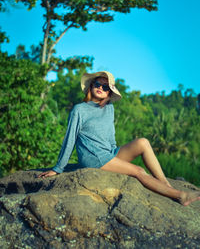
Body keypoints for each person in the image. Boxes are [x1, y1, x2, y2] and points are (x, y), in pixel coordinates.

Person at [38, 71, 200, 206]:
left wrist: (118, 158)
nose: (101, 88)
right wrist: (58, 167)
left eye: (105, 87)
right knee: (138, 171)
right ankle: (180, 196)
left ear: (110, 92)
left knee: (143, 142)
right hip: (93, 157)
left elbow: (110, 136)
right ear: (90, 86)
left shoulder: (109, 108)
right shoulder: (79, 109)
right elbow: (70, 139)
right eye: (97, 84)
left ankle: (165, 185)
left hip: (109, 153)